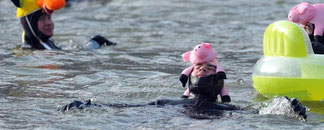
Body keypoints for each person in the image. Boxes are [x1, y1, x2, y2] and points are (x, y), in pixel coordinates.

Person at [59, 63, 307, 121]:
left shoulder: (227, 110)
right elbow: (127, 109)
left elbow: (260, 113)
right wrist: (91, 104)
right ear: (189, 80)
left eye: (211, 68)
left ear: (220, 84)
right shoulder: (164, 102)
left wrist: (288, 107)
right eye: (199, 67)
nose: (205, 70)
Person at [9, 0, 114, 50]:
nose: (49, 23)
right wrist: (94, 44)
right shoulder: (36, 51)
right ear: (28, 23)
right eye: (42, 18)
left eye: (49, 17)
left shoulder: (43, 42)